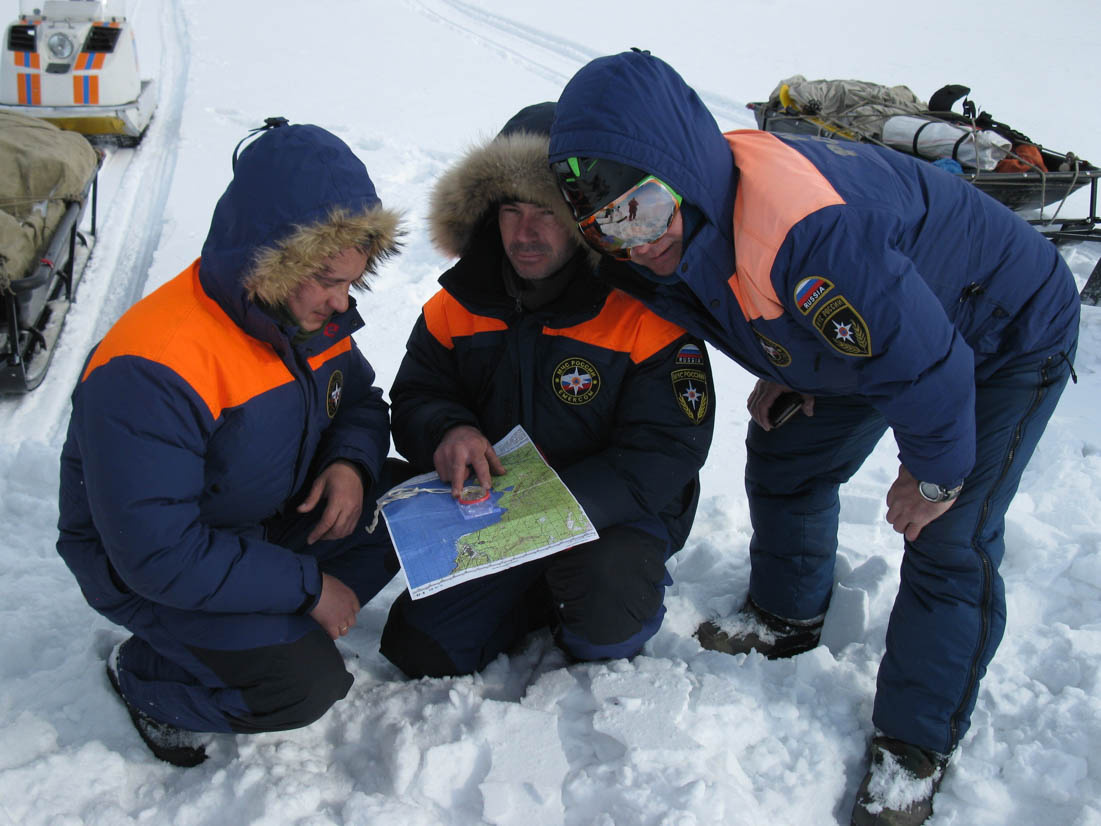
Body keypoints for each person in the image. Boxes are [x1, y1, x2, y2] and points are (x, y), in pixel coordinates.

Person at [547, 51, 1080, 825]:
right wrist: (793, 359)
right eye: (607, 223)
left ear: (684, 174)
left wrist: (931, 476)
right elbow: (775, 301)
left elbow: (928, 363)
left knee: (949, 534)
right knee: (786, 452)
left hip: (1000, 330)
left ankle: (912, 748)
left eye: (646, 210)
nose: (634, 240)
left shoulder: (805, 237)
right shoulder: (680, 226)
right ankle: (787, 616)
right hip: (887, 320)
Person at [56, 118, 407, 767]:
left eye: (351, 283)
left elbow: (359, 400)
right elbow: (159, 555)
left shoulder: (304, 317)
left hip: (260, 518)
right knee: (302, 687)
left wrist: (350, 465)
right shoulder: (153, 368)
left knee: (405, 503)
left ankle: (262, 623)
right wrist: (306, 587)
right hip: (151, 569)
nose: (339, 303)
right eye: (327, 279)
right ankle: (146, 677)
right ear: (272, 258)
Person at [378, 102, 714, 678]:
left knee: (604, 627)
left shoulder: (643, 310)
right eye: (510, 210)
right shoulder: (456, 306)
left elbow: (666, 450)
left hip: (613, 515)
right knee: (421, 649)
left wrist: (549, 511)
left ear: (584, 220)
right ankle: (533, 590)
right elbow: (415, 397)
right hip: (496, 512)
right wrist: (448, 430)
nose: (525, 233)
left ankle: (581, 588)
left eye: (546, 212)